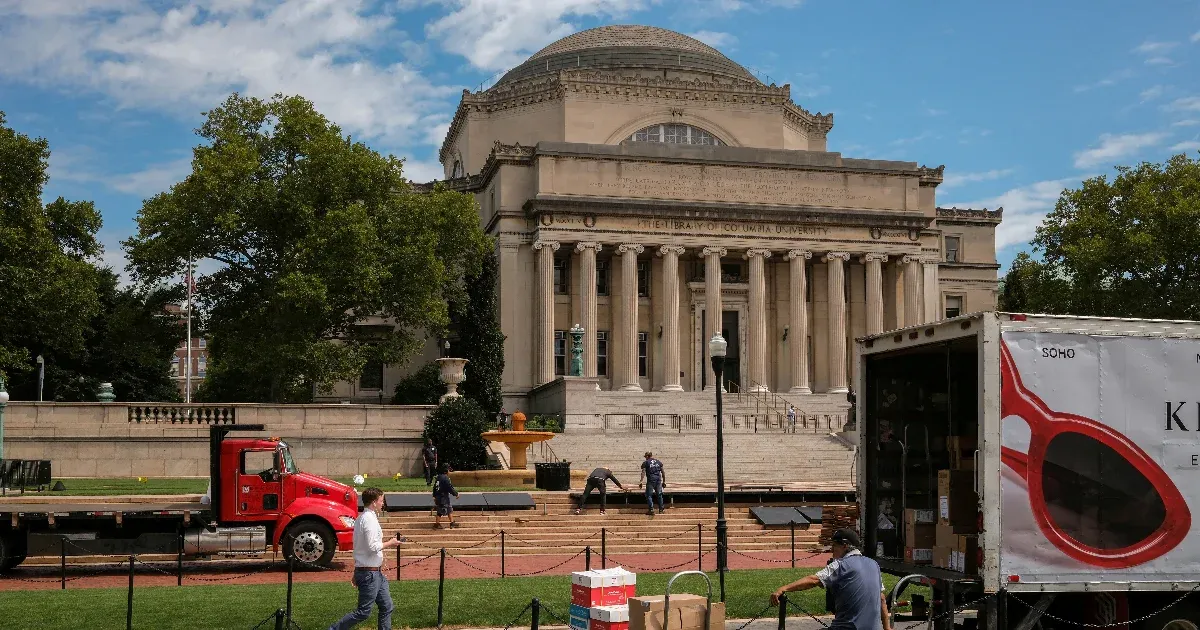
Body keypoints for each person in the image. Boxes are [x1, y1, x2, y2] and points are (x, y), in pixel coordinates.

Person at [770, 529, 891, 630]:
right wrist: (887, 628)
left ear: (844, 546)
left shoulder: (840, 565)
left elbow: (813, 580)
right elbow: (881, 599)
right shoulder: (874, 564)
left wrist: (783, 588)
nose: (832, 550)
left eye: (834, 546)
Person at [329, 487, 402, 630]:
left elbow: (360, 547)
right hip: (370, 574)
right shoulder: (368, 519)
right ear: (374, 502)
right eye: (381, 500)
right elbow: (371, 547)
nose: (383, 503)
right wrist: (391, 543)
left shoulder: (364, 518)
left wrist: (357, 570)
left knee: (387, 606)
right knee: (363, 612)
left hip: (373, 572)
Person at [638, 452, 667, 516]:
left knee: (648, 495)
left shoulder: (646, 462)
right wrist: (664, 481)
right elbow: (663, 472)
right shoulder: (658, 462)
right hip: (658, 480)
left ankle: (651, 509)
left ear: (647, 456)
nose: (645, 458)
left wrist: (641, 481)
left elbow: (643, 472)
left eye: (645, 457)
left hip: (651, 480)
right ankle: (661, 509)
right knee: (659, 494)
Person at [432, 464, 460, 528]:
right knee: (441, 510)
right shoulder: (445, 478)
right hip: (443, 497)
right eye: (449, 470)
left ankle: (451, 522)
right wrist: (456, 494)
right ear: (446, 470)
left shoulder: (438, 477)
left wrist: (434, 495)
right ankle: (437, 524)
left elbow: (435, 487)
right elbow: (449, 488)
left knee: (448, 509)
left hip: (438, 497)